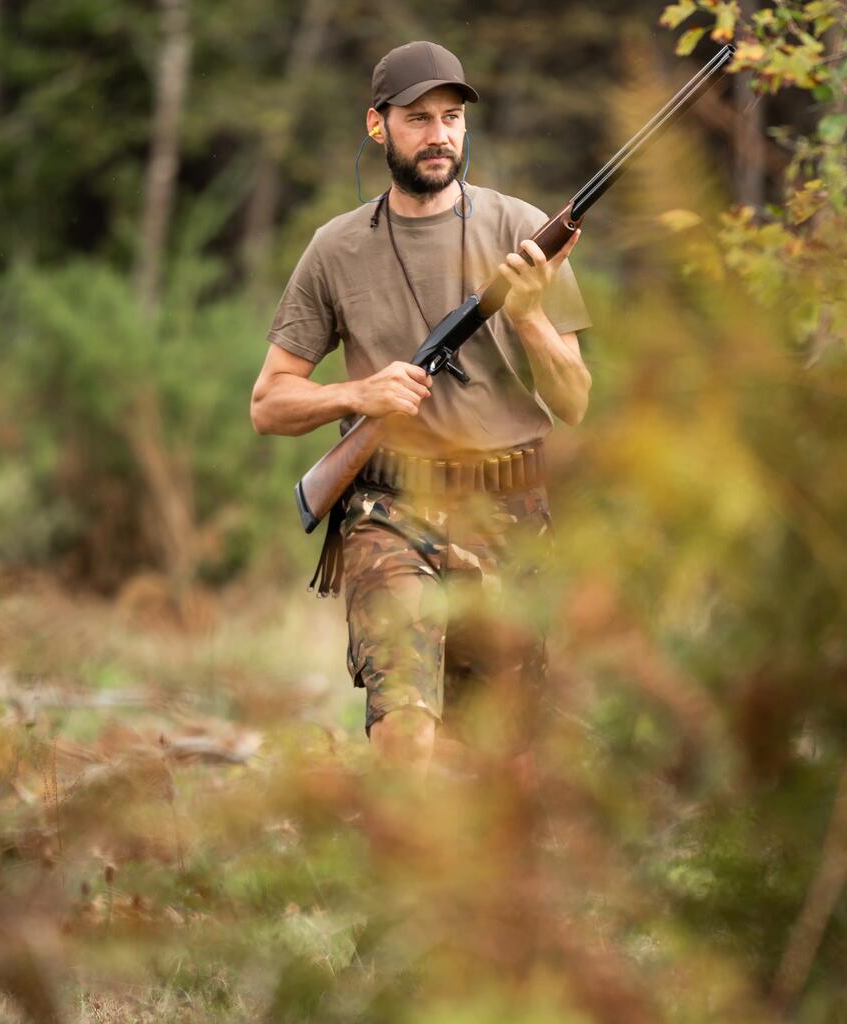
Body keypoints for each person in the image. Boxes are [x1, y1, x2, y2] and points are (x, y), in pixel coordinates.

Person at [250, 41, 592, 783]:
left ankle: (470, 896)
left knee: (500, 757)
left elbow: (573, 400)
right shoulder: (334, 249)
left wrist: (529, 316)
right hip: (389, 509)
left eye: (452, 118)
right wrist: (355, 395)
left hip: (509, 512)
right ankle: (395, 888)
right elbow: (269, 403)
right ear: (378, 127)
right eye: (418, 119)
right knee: (405, 727)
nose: (439, 135)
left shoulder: (521, 232)